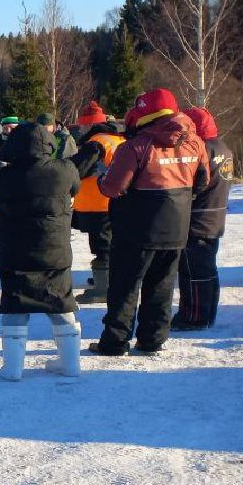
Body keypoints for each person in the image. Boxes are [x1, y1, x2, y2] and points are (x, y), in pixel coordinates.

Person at [90, 88, 210, 357]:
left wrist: (101, 178)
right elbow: (202, 182)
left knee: (125, 286)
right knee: (162, 286)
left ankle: (115, 342)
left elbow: (113, 187)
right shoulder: (195, 142)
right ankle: (152, 340)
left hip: (136, 229)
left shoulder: (136, 146)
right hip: (176, 228)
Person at [0, 123, 82, 379]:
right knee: (61, 303)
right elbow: (76, 188)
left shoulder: (7, 176)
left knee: (15, 304)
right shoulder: (65, 169)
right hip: (55, 252)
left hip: (15, 253)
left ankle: (13, 368)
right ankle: (70, 365)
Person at [173, 106, 234, 331]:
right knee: (208, 270)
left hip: (197, 218)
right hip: (215, 217)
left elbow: (192, 184)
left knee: (192, 271)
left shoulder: (201, 149)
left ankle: (193, 317)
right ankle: (208, 315)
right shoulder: (223, 147)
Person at [67, 102, 124, 304]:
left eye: (82, 125)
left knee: (102, 247)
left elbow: (76, 170)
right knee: (112, 245)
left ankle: (103, 289)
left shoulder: (96, 144)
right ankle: (108, 281)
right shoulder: (118, 139)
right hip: (116, 201)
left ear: (91, 125)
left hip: (98, 203)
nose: (80, 129)